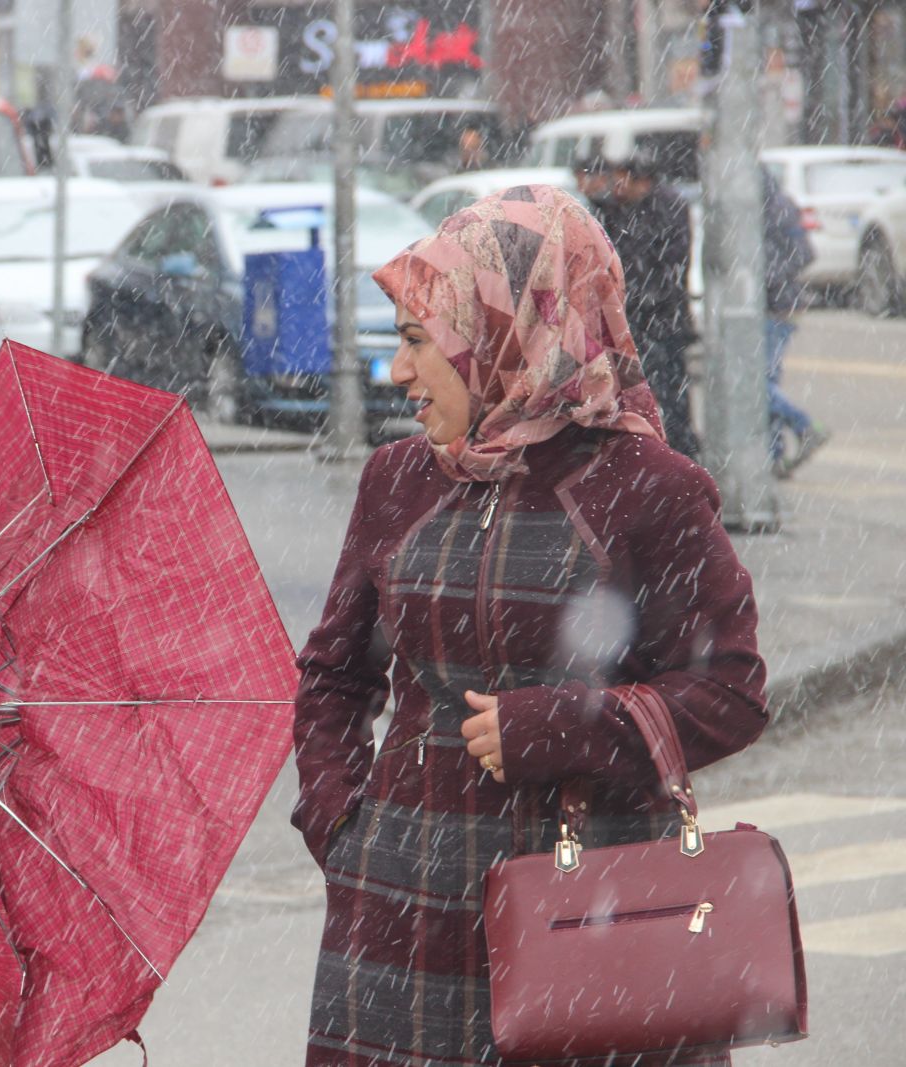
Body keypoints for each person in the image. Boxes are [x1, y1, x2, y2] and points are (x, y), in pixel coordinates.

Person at [292, 186, 766, 1067]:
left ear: (504, 338)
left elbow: (733, 689)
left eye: (415, 342)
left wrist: (560, 727)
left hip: (586, 913)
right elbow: (334, 675)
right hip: (398, 924)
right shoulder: (398, 480)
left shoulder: (644, 485)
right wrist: (344, 828)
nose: (398, 374)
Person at [589, 148, 701, 460]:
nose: (617, 185)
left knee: (668, 387)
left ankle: (679, 447)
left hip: (661, 316)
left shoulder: (665, 208)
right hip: (635, 316)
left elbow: (671, 263)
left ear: (643, 181)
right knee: (636, 387)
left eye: (623, 179)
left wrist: (642, 296)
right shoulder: (619, 208)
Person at [762, 166, 825, 477]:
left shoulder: (773, 208)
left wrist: (769, 275)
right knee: (764, 382)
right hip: (769, 305)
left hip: (774, 308)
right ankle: (773, 456)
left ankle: (803, 425)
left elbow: (804, 252)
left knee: (758, 384)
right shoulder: (776, 205)